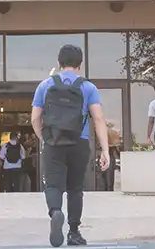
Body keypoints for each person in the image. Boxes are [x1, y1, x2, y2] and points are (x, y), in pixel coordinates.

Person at [31, 44, 111, 247]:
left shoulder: (45, 85)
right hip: (80, 142)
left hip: (54, 143)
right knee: (75, 188)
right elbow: (99, 119)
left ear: (59, 63)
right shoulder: (88, 87)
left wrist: (45, 139)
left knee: (53, 184)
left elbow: (34, 119)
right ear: (80, 64)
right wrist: (105, 150)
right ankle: (74, 232)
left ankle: (56, 212)